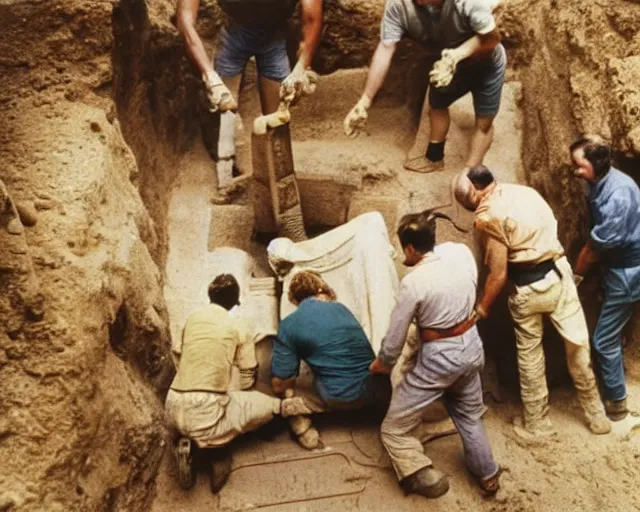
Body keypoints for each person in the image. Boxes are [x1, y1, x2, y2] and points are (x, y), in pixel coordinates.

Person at [453, 165, 611, 438]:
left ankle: (538, 424)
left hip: (529, 287)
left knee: (530, 356)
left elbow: (498, 274)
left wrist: (481, 309)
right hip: (561, 274)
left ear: (475, 195)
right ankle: (597, 416)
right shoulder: (524, 192)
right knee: (577, 346)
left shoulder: (488, 216)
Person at [369, 210, 501, 499]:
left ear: (411, 249)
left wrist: (382, 364)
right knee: (468, 415)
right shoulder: (460, 252)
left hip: (441, 359)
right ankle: (488, 474)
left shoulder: (414, 282)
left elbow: (395, 337)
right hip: (471, 346)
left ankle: (420, 473)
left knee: (394, 428)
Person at [165, 274, 309, 492]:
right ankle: (216, 455)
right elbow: (247, 374)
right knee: (266, 406)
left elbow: (181, 354)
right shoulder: (238, 325)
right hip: (205, 410)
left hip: (173, 403)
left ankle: (184, 438)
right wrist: (241, 396)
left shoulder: (192, 318)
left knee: (206, 409)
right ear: (234, 302)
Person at [344, 0, 505, 173]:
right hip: (447, 63)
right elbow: (386, 47)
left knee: (484, 122)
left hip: (487, 64)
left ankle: (471, 172)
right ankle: (434, 159)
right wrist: (365, 101)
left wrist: (456, 56)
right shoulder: (399, 5)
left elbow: (491, 39)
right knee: (437, 103)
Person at [176, 0, 323, 184]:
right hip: (235, 31)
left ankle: (280, 184)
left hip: (274, 35)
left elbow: (312, 18)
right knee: (225, 112)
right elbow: (185, 18)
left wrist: (302, 66)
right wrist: (210, 76)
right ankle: (226, 179)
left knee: (278, 118)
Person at [271, 270, 392, 448]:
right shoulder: (342, 308)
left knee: (287, 385)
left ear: (295, 299)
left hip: (336, 397)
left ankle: (303, 428)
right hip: (374, 392)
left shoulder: (289, 324)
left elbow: (279, 385)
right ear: (321, 291)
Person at [571, 135, 640, 421]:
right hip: (617, 266)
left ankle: (616, 402)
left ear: (597, 164)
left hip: (628, 271)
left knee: (603, 339)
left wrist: (575, 276)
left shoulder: (618, 195)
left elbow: (594, 248)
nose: (575, 170)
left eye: (580, 165)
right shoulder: (600, 181)